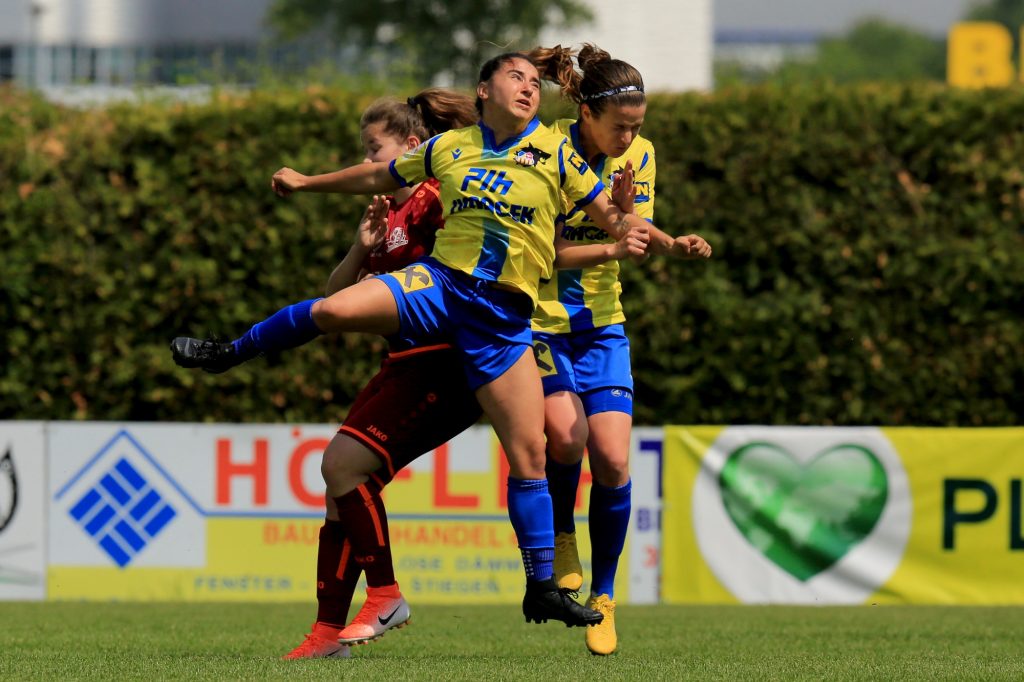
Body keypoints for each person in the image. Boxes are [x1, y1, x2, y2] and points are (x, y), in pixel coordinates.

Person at [171, 52, 671, 633]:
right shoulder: (450, 146)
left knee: (532, 456)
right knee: (334, 307)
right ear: (483, 89)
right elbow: (378, 177)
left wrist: (631, 223)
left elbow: (608, 217)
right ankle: (230, 351)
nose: (529, 88)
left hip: (503, 321)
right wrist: (307, 182)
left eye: (535, 82)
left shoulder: (560, 153)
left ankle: (540, 588)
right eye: (517, 77)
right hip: (441, 286)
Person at [278, 90, 483, 660]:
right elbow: (333, 303)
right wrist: (359, 249)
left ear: (412, 149)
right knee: (338, 493)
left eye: (374, 150)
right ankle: (325, 637)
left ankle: (387, 595)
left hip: (445, 365)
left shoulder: (439, 199)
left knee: (341, 464)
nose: (367, 163)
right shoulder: (388, 215)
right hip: (404, 365)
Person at [528, 44, 712, 655]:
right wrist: (617, 243)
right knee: (567, 437)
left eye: (638, 125)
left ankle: (603, 598)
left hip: (603, 325)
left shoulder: (640, 153)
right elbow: (544, 252)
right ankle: (560, 535)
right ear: (586, 112)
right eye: (620, 125)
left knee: (611, 459)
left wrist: (670, 244)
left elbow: (633, 229)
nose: (630, 136)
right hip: (542, 323)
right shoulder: (545, 149)